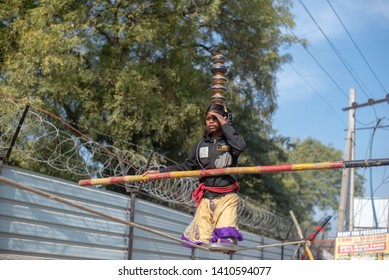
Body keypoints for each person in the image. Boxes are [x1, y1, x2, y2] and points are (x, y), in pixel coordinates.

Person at [146, 103, 246, 250]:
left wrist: (225, 124)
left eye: (215, 118)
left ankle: (229, 241)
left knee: (226, 236)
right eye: (208, 118)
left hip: (227, 196)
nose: (211, 121)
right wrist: (160, 173)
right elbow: (185, 166)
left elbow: (241, 146)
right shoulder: (201, 145)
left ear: (224, 119)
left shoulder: (231, 143)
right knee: (200, 239)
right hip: (206, 197)